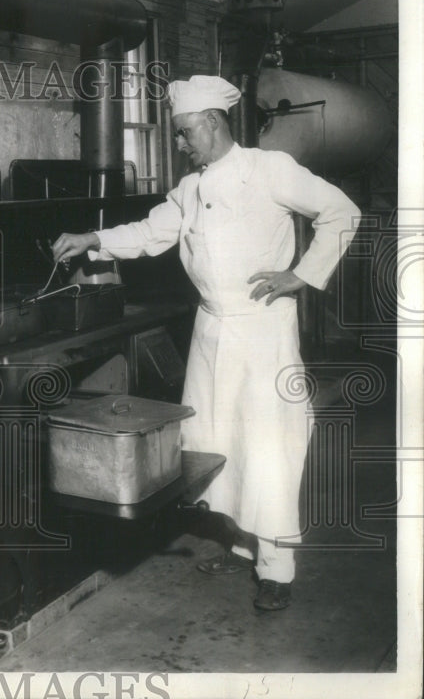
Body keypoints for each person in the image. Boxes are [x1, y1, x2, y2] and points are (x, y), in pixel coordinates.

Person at [51, 75, 361, 611]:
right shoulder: (190, 189)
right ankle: (242, 545)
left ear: (213, 124)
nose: (178, 144)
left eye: (183, 133)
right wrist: (94, 240)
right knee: (218, 443)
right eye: (176, 134)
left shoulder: (269, 170)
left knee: (268, 450)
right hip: (212, 328)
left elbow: (342, 212)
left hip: (263, 329)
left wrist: (303, 276)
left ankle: (277, 569)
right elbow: (150, 233)